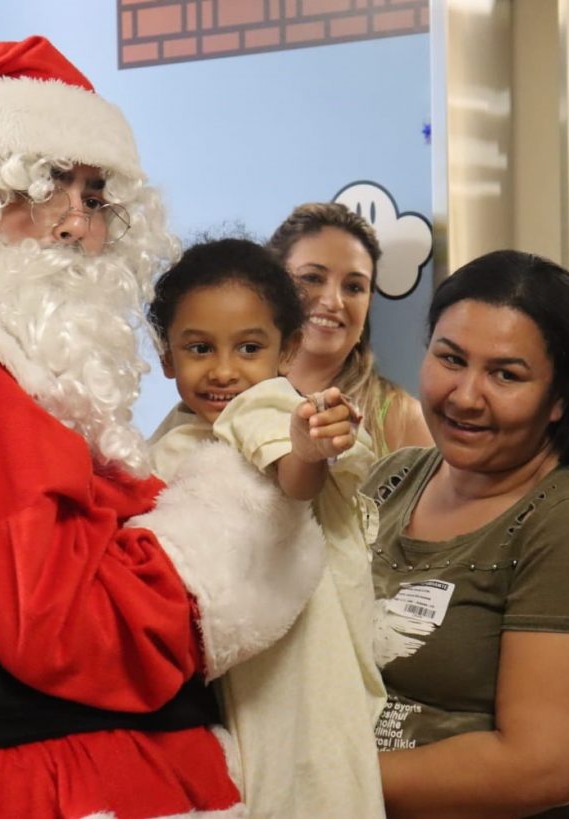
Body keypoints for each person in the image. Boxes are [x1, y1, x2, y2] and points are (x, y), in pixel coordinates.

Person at [0, 38, 327, 818]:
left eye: (96, 195)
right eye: (43, 185)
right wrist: (231, 528)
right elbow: (64, 629)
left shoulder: (9, 384)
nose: (75, 225)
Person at [363, 249, 569, 818]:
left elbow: (542, 764)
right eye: (450, 359)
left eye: (506, 374)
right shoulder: (392, 478)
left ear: (561, 399)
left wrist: (319, 777)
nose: (466, 396)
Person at [147, 237, 387, 818]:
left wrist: (306, 445)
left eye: (249, 347)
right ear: (166, 356)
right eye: (199, 348)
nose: (224, 370)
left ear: (288, 351)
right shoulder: (172, 439)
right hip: (233, 687)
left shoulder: (270, 406)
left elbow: (293, 478)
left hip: (303, 681)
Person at [267, 202, 433, 458]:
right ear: (273, 283)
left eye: (354, 287)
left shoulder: (404, 419)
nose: (333, 301)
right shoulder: (226, 396)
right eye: (312, 278)